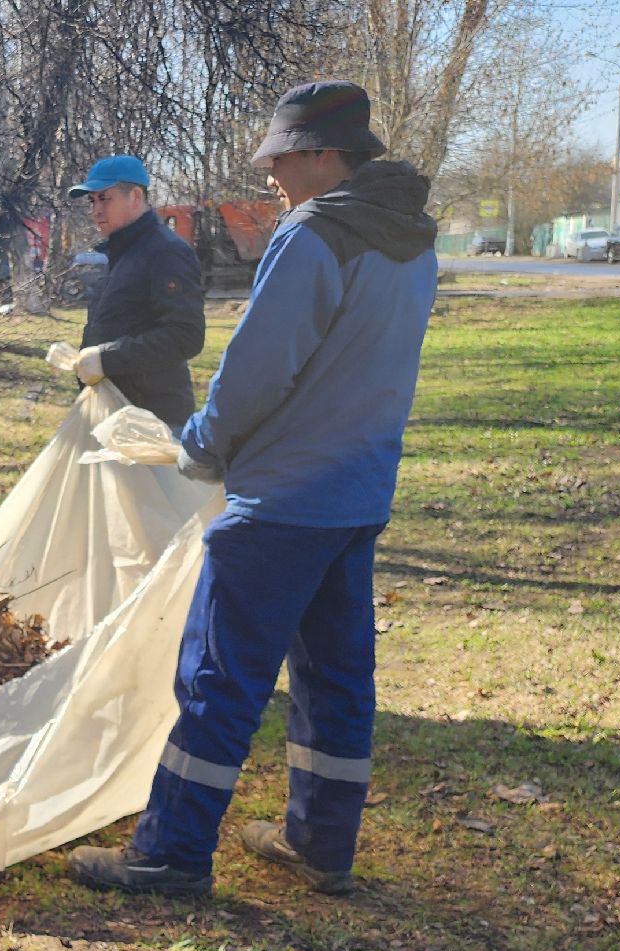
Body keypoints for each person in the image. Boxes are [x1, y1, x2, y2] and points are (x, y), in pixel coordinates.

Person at [68, 81, 439, 898]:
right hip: (355, 493)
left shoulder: (315, 234)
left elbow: (254, 369)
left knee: (217, 678)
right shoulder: (412, 240)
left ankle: (168, 853)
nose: (269, 175)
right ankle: (320, 844)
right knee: (335, 678)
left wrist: (196, 446)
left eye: (277, 159)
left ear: (317, 155)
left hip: (280, 501)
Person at [45, 155, 206, 429]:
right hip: (114, 414)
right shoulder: (121, 252)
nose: (96, 210)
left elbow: (186, 336)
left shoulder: (166, 252)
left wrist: (106, 359)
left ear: (135, 196)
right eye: (92, 201)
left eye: (105, 199)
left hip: (152, 420)